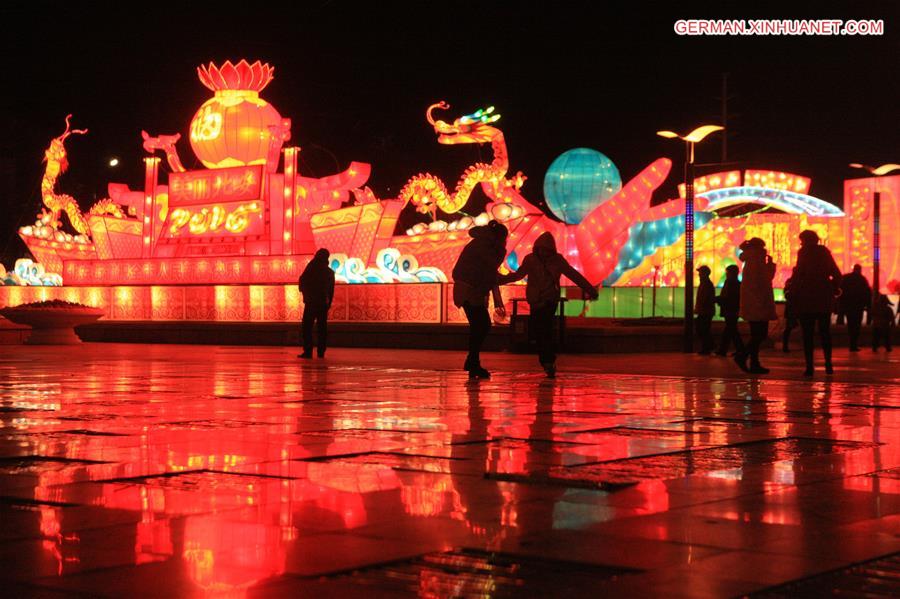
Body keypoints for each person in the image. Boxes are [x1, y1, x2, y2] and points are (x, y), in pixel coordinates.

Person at [498, 231, 598, 377]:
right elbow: (518, 275)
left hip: (549, 300)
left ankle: (547, 361)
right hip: (535, 301)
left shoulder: (557, 260)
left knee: (545, 330)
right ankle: (547, 361)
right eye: (541, 249)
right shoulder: (531, 260)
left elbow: (573, 275)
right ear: (537, 248)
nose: (544, 252)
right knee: (540, 331)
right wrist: (499, 280)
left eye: (546, 250)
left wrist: (589, 289)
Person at [452, 220, 508, 379]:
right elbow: (491, 266)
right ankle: (472, 361)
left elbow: (488, 271)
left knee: (480, 325)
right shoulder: (485, 246)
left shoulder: (480, 243)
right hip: (470, 290)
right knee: (481, 325)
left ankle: (473, 361)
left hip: (471, 289)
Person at [791, 229, 842, 376]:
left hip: (806, 298)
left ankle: (809, 366)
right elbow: (837, 274)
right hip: (823, 299)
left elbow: (799, 273)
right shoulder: (825, 253)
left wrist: (793, 292)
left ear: (805, 240)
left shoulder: (803, 252)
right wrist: (833, 288)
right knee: (825, 332)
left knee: (807, 334)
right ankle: (828, 364)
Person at [736, 238, 776, 374]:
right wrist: (770, 266)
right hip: (759, 303)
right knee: (760, 334)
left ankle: (753, 362)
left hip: (753, 303)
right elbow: (764, 281)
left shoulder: (750, 260)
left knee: (756, 334)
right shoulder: (757, 259)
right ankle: (743, 356)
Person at [298, 248, 335, 359]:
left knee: (307, 327)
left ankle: (308, 351)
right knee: (322, 328)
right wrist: (328, 304)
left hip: (311, 303)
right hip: (322, 303)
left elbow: (302, 281)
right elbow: (331, 291)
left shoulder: (311, 267)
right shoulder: (329, 272)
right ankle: (321, 351)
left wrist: (306, 294)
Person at [839, 264, 872, 352]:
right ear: (860, 270)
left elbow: (840, 291)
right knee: (856, 325)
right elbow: (867, 293)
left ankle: (851, 343)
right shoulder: (862, 280)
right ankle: (854, 344)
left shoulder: (846, 278)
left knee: (850, 324)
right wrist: (868, 306)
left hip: (848, 305)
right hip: (858, 306)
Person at [715, 264, 745, 357]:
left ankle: (731, 349)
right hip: (733, 310)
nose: (727, 274)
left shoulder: (730, 283)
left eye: (727, 272)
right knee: (731, 329)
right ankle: (738, 349)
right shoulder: (736, 283)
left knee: (730, 329)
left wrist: (718, 299)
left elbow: (729, 297)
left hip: (730, 310)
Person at [694, 265, 716, 355]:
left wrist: (698, 308)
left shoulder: (706, 284)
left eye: (700, 272)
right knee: (703, 329)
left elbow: (704, 298)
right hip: (706, 310)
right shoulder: (706, 283)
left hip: (705, 311)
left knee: (702, 329)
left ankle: (708, 347)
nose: (699, 274)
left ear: (704, 274)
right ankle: (709, 346)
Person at [782, 270, 799, 352]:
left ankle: (785, 345)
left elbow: (786, 294)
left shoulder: (790, 282)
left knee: (788, 328)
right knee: (789, 327)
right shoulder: (795, 282)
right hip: (795, 309)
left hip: (792, 309)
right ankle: (785, 345)